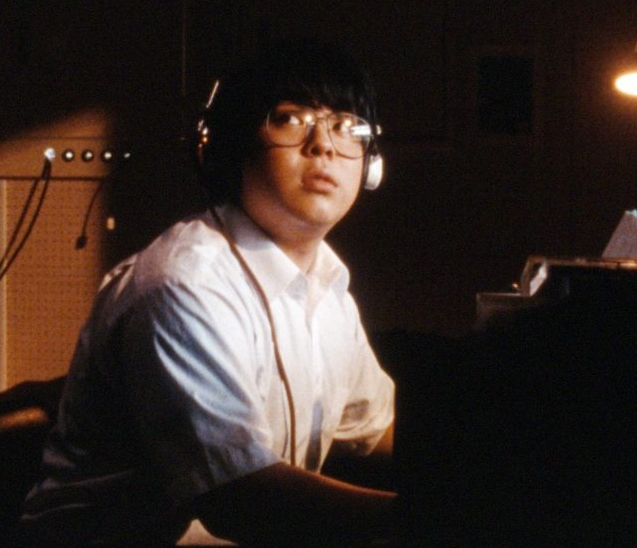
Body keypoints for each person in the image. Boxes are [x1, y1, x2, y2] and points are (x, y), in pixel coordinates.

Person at [19, 38, 397, 547]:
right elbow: (239, 499)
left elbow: (375, 429)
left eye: (348, 127)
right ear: (232, 145)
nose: (324, 145)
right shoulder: (185, 285)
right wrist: (429, 522)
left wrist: (490, 462)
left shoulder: (327, 289)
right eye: (290, 119)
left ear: (369, 164)